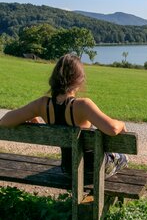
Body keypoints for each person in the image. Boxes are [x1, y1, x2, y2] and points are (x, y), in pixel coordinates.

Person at [0, 54, 128, 177]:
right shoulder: (83, 105)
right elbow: (112, 129)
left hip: (68, 170)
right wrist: (121, 123)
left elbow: (4, 121)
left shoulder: (42, 104)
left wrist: (29, 116)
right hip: (92, 171)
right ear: (79, 80)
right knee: (123, 157)